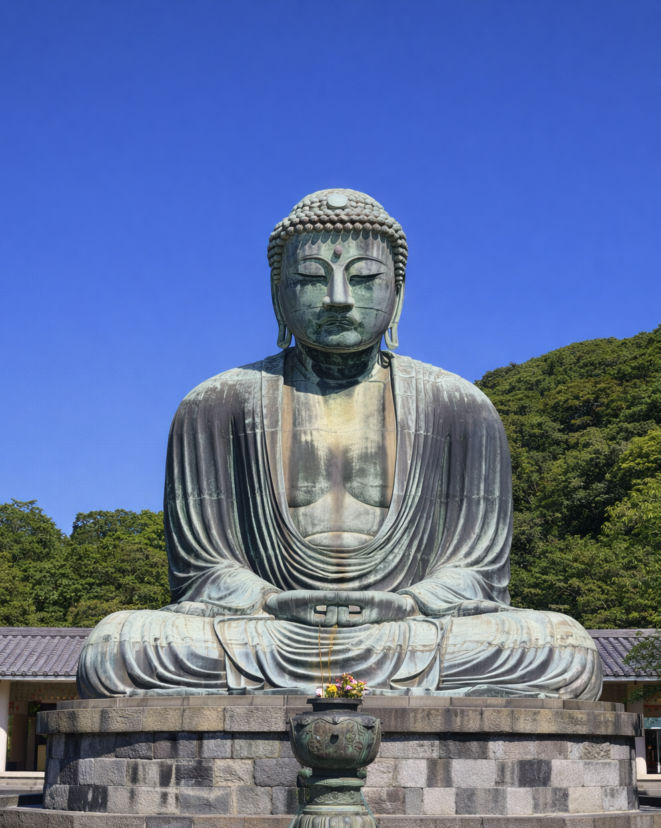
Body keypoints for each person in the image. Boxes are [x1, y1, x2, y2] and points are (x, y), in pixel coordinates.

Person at [78, 189, 601, 700]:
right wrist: (271, 601)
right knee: (120, 645)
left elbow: (477, 571)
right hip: (269, 628)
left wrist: (408, 604)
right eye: (310, 278)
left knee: (562, 646)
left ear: (398, 291)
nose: (338, 298)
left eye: (365, 278)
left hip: (409, 628)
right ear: (277, 293)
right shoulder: (216, 403)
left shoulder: (460, 406)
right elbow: (203, 568)